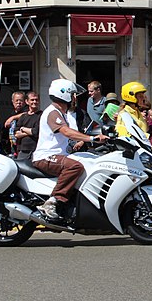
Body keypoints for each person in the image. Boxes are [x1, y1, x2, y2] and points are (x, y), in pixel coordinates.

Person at [32, 79, 107, 219]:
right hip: (46, 156)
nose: (75, 98)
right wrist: (91, 139)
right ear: (63, 95)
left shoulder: (64, 114)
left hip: (60, 155)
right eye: (73, 94)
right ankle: (53, 202)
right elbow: (66, 132)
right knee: (75, 167)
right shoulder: (52, 112)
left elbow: (77, 131)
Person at [14, 91, 41, 161]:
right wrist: (29, 131)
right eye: (32, 100)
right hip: (23, 150)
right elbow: (16, 134)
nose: (34, 102)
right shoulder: (23, 116)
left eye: (36, 100)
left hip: (36, 150)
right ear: (27, 101)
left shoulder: (41, 115)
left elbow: (36, 132)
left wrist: (23, 129)